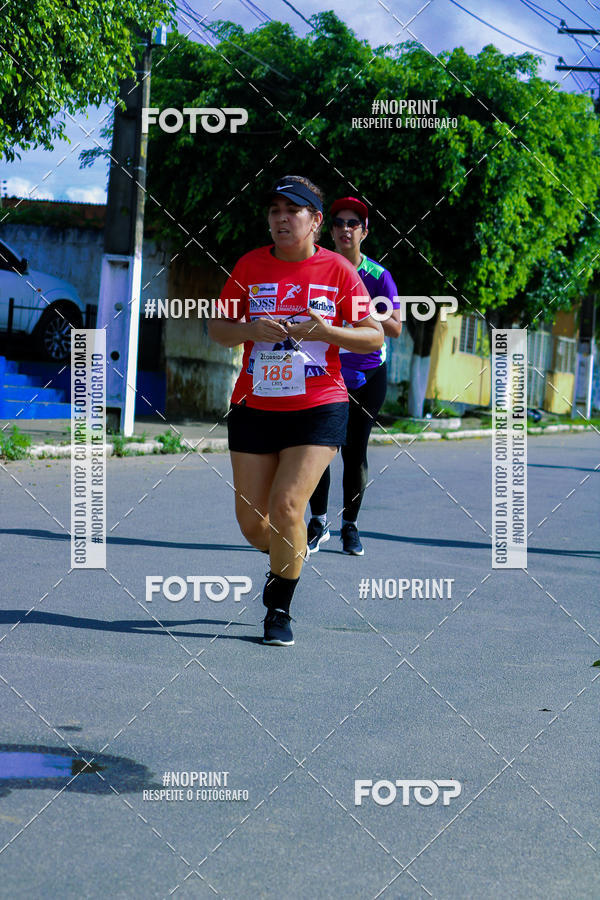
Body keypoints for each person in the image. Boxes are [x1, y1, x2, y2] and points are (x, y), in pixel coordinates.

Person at [208, 176, 383, 646]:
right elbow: (218, 329)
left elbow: (374, 335)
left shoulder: (338, 271)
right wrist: (249, 329)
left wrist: (328, 332)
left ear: (316, 220)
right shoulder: (249, 265)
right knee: (252, 524)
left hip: (318, 407)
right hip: (254, 405)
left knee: (288, 505)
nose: (281, 219)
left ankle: (279, 607)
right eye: (274, 211)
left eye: (293, 210)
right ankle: (290, 554)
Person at [307, 197, 402, 556]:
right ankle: (318, 522)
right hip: (325, 372)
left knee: (354, 451)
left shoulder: (378, 277)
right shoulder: (316, 269)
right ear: (329, 230)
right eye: (339, 223)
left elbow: (395, 327)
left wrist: (361, 310)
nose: (345, 229)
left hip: (367, 375)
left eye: (353, 223)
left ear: (364, 232)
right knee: (318, 449)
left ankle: (350, 526)